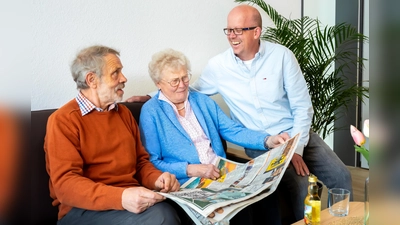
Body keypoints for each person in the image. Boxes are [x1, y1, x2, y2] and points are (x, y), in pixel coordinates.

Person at [126, 5, 353, 224]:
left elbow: (301, 108)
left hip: (294, 134)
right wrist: (150, 97)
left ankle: (346, 221)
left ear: (256, 32)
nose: (232, 36)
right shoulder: (215, 68)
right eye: (229, 30)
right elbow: (188, 90)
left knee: (341, 175)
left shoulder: (281, 57)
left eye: (238, 30)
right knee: (299, 185)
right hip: (239, 151)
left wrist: (291, 146)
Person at [138, 48, 289, 225]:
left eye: (185, 77)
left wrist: (267, 140)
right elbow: (152, 161)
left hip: (219, 173)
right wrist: (191, 169)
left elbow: (233, 130)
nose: (182, 85)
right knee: (234, 208)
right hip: (186, 182)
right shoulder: (151, 112)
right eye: (174, 81)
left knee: (265, 192)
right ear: (158, 83)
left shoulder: (201, 101)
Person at [44, 45, 181, 225]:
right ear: (92, 80)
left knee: (178, 207)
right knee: (161, 217)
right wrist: (122, 197)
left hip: (128, 202)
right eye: (115, 73)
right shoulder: (63, 121)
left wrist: (157, 179)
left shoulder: (123, 114)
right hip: (82, 210)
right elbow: (66, 185)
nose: (124, 78)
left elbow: (140, 163)